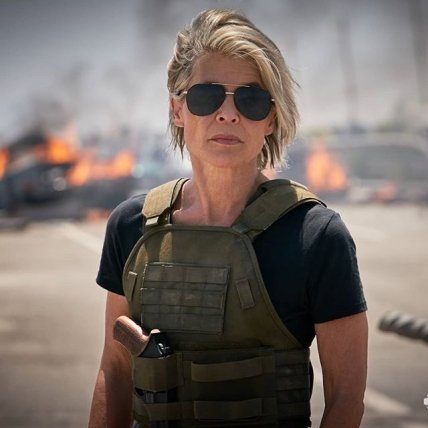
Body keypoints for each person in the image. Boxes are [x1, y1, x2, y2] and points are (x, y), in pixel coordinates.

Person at [89, 8, 368, 428]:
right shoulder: (132, 227)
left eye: (251, 100)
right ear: (177, 110)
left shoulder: (315, 236)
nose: (228, 113)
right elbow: (115, 372)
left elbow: (346, 402)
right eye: (207, 95)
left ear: (271, 118)